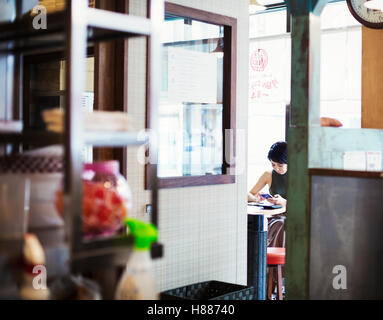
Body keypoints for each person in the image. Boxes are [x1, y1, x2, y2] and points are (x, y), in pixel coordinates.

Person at [248, 141, 287, 247]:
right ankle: (267, 260)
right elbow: (248, 194)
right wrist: (257, 199)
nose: (276, 168)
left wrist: (284, 202)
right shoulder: (268, 175)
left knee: (282, 224)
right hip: (275, 216)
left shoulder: (298, 175)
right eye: (273, 164)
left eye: (280, 165)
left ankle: (274, 261)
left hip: (292, 216)